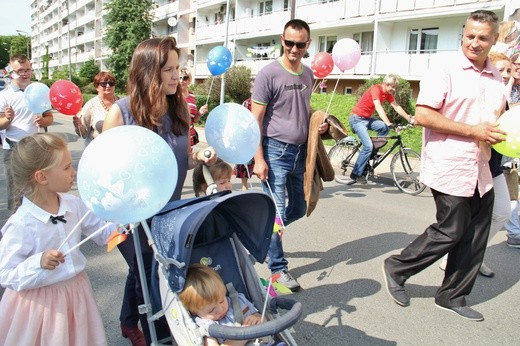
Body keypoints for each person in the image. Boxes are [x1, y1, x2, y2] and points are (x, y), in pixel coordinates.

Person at [383, 10, 507, 322]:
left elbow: (498, 120)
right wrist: (473, 131)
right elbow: (425, 115)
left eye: (483, 38)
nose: (475, 43)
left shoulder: (497, 78)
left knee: (476, 234)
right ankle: (397, 267)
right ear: (462, 35)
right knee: (451, 229)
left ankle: (452, 296)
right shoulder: (445, 69)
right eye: (470, 36)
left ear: (493, 40)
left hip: (481, 166)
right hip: (449, 164)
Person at [103, 36, 217, 345]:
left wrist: (201, 155)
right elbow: (104, 172)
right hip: (131, 216)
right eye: (167, 69)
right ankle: (156, 334)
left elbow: (184, 160)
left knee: (145, 270)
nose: (176, 76)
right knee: (149, 275)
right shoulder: (121, 112)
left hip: (169, 211)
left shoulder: (179, 108)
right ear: (147, 72)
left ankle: (128, 323)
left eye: (178, 68)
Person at [0, 133, 117, 345]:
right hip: (39, 307)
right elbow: (6, 274)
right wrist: (38, 262)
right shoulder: (22, 224)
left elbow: (103, 233)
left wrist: (126, 218)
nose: (74, 173)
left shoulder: (73, 204)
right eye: (66, 168)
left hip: (77, 295)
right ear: (42, 177)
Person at [251, 19, 328, 291]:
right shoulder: (268, 74)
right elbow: (255, 121)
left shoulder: (307, 74)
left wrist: (319, 124)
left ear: (308, 44)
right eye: (289, 43)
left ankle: (258, 239)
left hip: (299, 153)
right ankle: (278, 270)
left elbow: (302, 110)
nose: (294, 48)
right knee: (276, 212)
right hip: (274, 151)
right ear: (282, 41)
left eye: (300, 44)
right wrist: (258, 159)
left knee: (298, 208)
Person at [438, 51, 512, 277]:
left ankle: (471, 255)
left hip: (495, 165)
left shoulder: (507, 93)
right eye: (502, 70)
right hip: (472, 162)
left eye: (509, 70)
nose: (506, 74)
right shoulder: (480, 92)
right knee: (460, 222)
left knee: (502, 212)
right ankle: (456, 258)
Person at [0, 54, 54, 212]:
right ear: (11, 72)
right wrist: (8, 119)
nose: (25, 73)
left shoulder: (39, 90)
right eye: (20, 70)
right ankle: (17, 226)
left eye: (28, 70)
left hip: (36, 147)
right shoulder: (4, 95)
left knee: (39, 187)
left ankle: (40, 222)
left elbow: (49, 117)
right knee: (16, 191)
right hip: (13, 149)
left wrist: (43, 121)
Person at [344, 74, 412, 185]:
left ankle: (369, 156)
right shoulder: (376, 89)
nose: (394, 89)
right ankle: (356, 174)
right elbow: (378, 107)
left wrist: (409, 118)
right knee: (368, 146)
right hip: (356, 119)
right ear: (386, 84)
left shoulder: (387, 94)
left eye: (395, 87)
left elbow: (397, 106)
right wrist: (389, 122)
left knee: (383, 128)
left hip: (366, 119)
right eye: (392, 87)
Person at [179, 264, 263, 346]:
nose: (220, 309)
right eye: (211, 310)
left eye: (222, 301)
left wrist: (257, 318)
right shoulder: (205, 326)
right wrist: (244, 335)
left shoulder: (238, 300)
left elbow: (261, 317)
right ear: (194, 312)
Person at [73, 71, 119, 146]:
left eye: (111, 83)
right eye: (103, 84)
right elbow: (83, 134)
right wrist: (79, 126)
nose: (108, 86)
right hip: (97, 150)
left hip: (119, 149)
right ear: (97, 87)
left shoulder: (121, 103)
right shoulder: (91, 105)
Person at [234, 80, 255, 190]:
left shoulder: (267, 102)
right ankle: (244, 186)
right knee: (245, 161)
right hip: (248, 136)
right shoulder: (247, 103)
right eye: (253, 87)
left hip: (262, 136)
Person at [180, 68, 208, 147]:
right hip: (177, 136)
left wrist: (200, 113)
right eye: (179, 77)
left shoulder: (192, 96)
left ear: (189, 81)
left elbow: (193, 119)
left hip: (190, 136)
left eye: (185, 78)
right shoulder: (173, 96)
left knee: (189, 159)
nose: (182, 80)